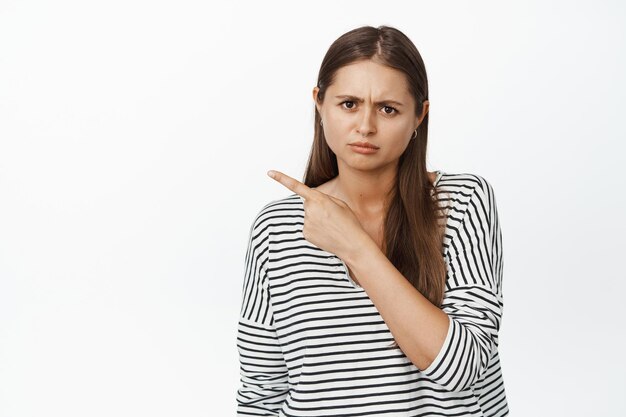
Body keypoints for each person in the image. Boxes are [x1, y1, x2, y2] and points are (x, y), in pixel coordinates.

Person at [236, 25, 509, 416]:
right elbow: (261, 394)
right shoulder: (276, 227)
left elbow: (463, 369)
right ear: (319, 103)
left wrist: (356, 247)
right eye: (348, 104)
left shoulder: (461, 202)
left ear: (419, 115)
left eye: (388, 108)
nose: (366, 126)